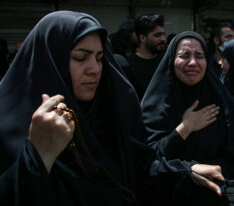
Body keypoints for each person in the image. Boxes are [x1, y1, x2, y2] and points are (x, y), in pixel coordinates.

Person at [0, 11, 221, 206]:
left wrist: (184, 171)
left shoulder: (110, 115)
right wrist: (38, 158)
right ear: (50, 62)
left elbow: (140, 169)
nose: (94, 69)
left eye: (99, 58)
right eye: (80, 58)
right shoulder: (13, 133)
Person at [141, 31, 234, 205]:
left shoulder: (219, 100)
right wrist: (185, 128)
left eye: (199, 56)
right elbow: (147, 159)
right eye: (184, 55)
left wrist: (215, 170)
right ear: (171, 60)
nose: (193, 63)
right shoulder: (157, 104)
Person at [127, 13, 166, 100]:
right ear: (143, 38)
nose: (163, 39)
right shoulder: (128, 66)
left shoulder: (166, 62)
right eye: (158, 35)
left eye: (163, 34)